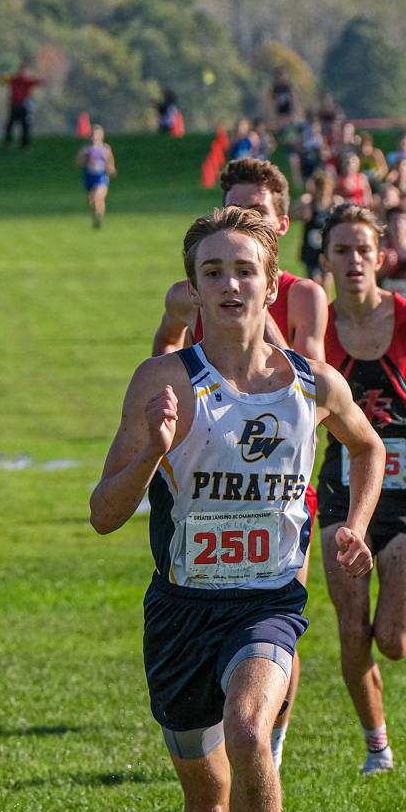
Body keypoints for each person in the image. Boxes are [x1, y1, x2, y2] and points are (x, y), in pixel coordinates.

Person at [91, 206, 383, 812]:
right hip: (182, 614)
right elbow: (103, 512)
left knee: (252, 732)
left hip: (268, 606)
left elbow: (367, 446)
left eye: (243, 268)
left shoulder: (311, 384)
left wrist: (353, 525)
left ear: (271, 278)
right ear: (194, 285)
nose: (228, 284)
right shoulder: (163, 382)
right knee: (206, 800)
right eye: (211, 271)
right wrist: (152, 449)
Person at [152, 158, 330, 767]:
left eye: (260, 210)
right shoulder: (190, 291)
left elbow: (307, 381)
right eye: (238, 206)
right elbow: (167, 345)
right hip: (211, 460)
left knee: (278, 597)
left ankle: (268, 738)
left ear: (283, 220)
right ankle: (238, 723)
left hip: (283, 469)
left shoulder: (305, 294)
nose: (251, 216)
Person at [317, 204, 406, 775]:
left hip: (404, 487)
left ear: (380, 257)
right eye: (341, 251)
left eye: (363, 250)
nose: (354, 261)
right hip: (344, 487)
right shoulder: (319, 329)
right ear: (325, 260)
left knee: (395, 642)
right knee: (352, 628)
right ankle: (376, 744)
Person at [75, 125, 117, 228]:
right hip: (89, 176)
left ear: (101, 136)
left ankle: (98, 218)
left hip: (101, 176)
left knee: (99, 196)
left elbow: (110, 162)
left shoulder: (106, 148)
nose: (94, 137)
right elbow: (78, 163)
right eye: (93, 135)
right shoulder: (86, 149)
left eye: (97, 135)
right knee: (92, 200)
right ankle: (95, 215)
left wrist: (111, 169)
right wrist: (85, 158)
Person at [0, 61, 44, 149]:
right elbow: (2, 80)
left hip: (23, 106)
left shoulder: (26, 81)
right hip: (14, 105)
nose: (23, 72)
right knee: (10, 125)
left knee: (24, 126)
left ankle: (25, 145)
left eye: (24, 70)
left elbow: (40, 81)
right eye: (22, 70)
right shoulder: (14, 79)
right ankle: (7, 143)